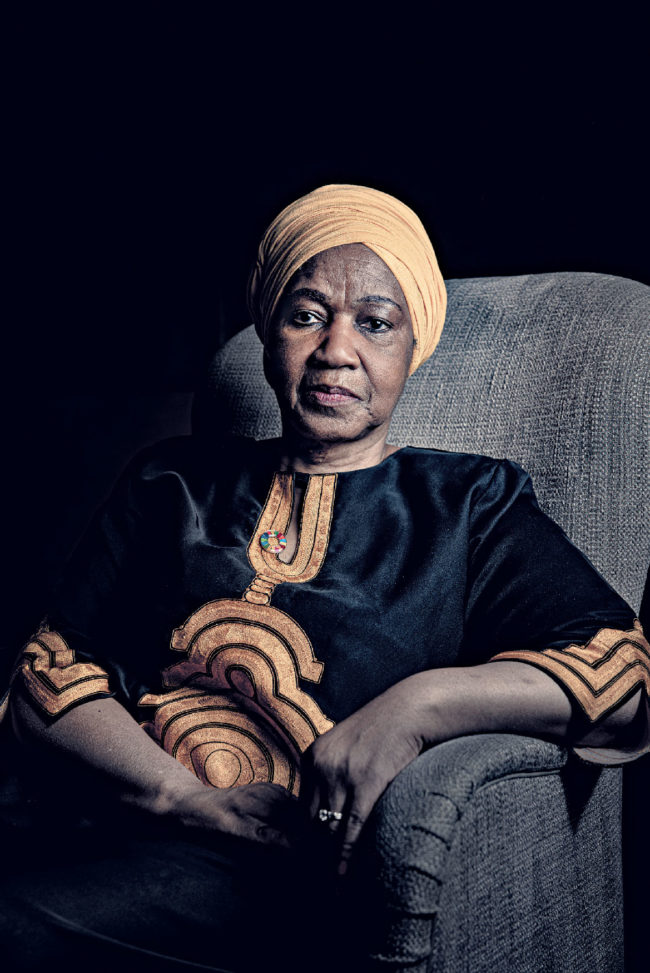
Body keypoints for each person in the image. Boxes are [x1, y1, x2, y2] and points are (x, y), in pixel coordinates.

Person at [1, 184, 649, 972]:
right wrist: (182, 796)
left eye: (375, 323)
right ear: (269, 333)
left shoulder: (468, 502)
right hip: (99, 814)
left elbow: (618, 673)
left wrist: (416, 707)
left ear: (412, 348)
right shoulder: (169, 481)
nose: (336, 350)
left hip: (263, 874)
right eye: (306, 315)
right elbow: (44, 677)